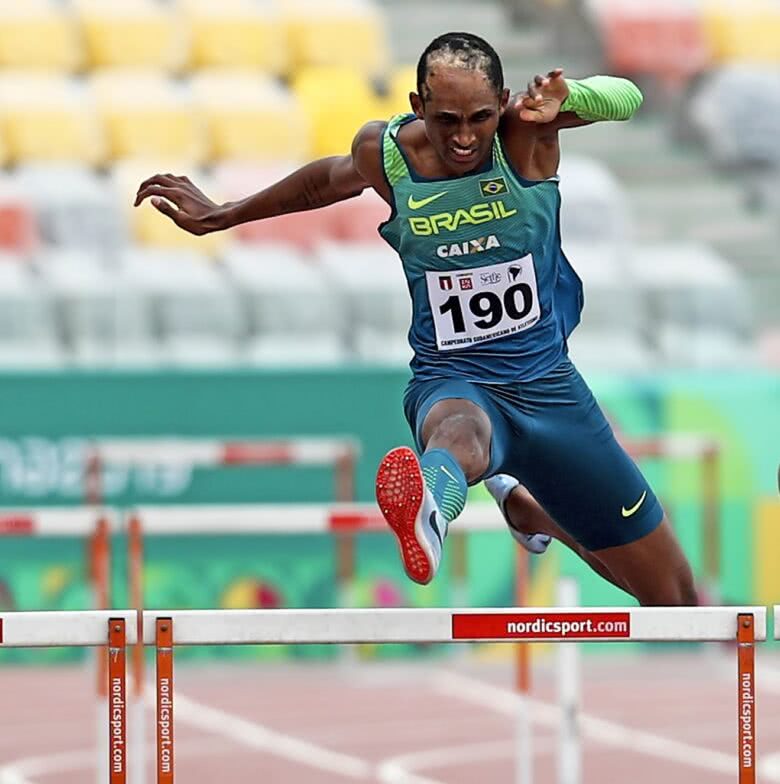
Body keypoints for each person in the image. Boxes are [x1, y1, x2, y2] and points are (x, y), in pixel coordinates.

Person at [135, 32, 697, 606]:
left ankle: (533, 512)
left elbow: (626, 96)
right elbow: (321, 183)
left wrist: (570, 92)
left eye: (479, 117)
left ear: (500, 100)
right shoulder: (387, 156)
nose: (463, 137)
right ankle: (431, 505)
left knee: (674, 600)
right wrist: (227, 213)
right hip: (453, 380)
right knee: (458, 435)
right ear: (415, 105)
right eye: (445, 119)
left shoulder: (526, 129)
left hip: (551, 391)